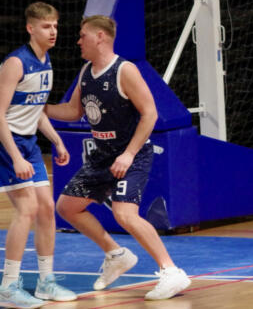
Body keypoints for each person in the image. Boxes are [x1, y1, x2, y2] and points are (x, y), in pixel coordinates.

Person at [44, 15, 191, 300]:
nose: (78, 41)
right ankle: (116, 254)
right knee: (67, 207)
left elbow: (150, 114)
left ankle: (172, 271)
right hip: (102, 156)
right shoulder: (86, 71)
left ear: (100, 36)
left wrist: (129, 154)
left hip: (131, 154)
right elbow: (73, 111)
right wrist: (41, 108)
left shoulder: (125, 70)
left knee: (124, 214)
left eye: (83, 35)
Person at [0, 2, 77, 308]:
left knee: (46, 209)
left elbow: (35, 110)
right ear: (30, 28)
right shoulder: (16, 63)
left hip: (30, 143)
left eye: (55, 25)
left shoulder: (46, 62)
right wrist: (16, 157)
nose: (53, 31)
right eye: (46, 26)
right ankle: (8, 287)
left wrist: (57, 141)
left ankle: (46, 282)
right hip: (8, 143)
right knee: (27, 209)